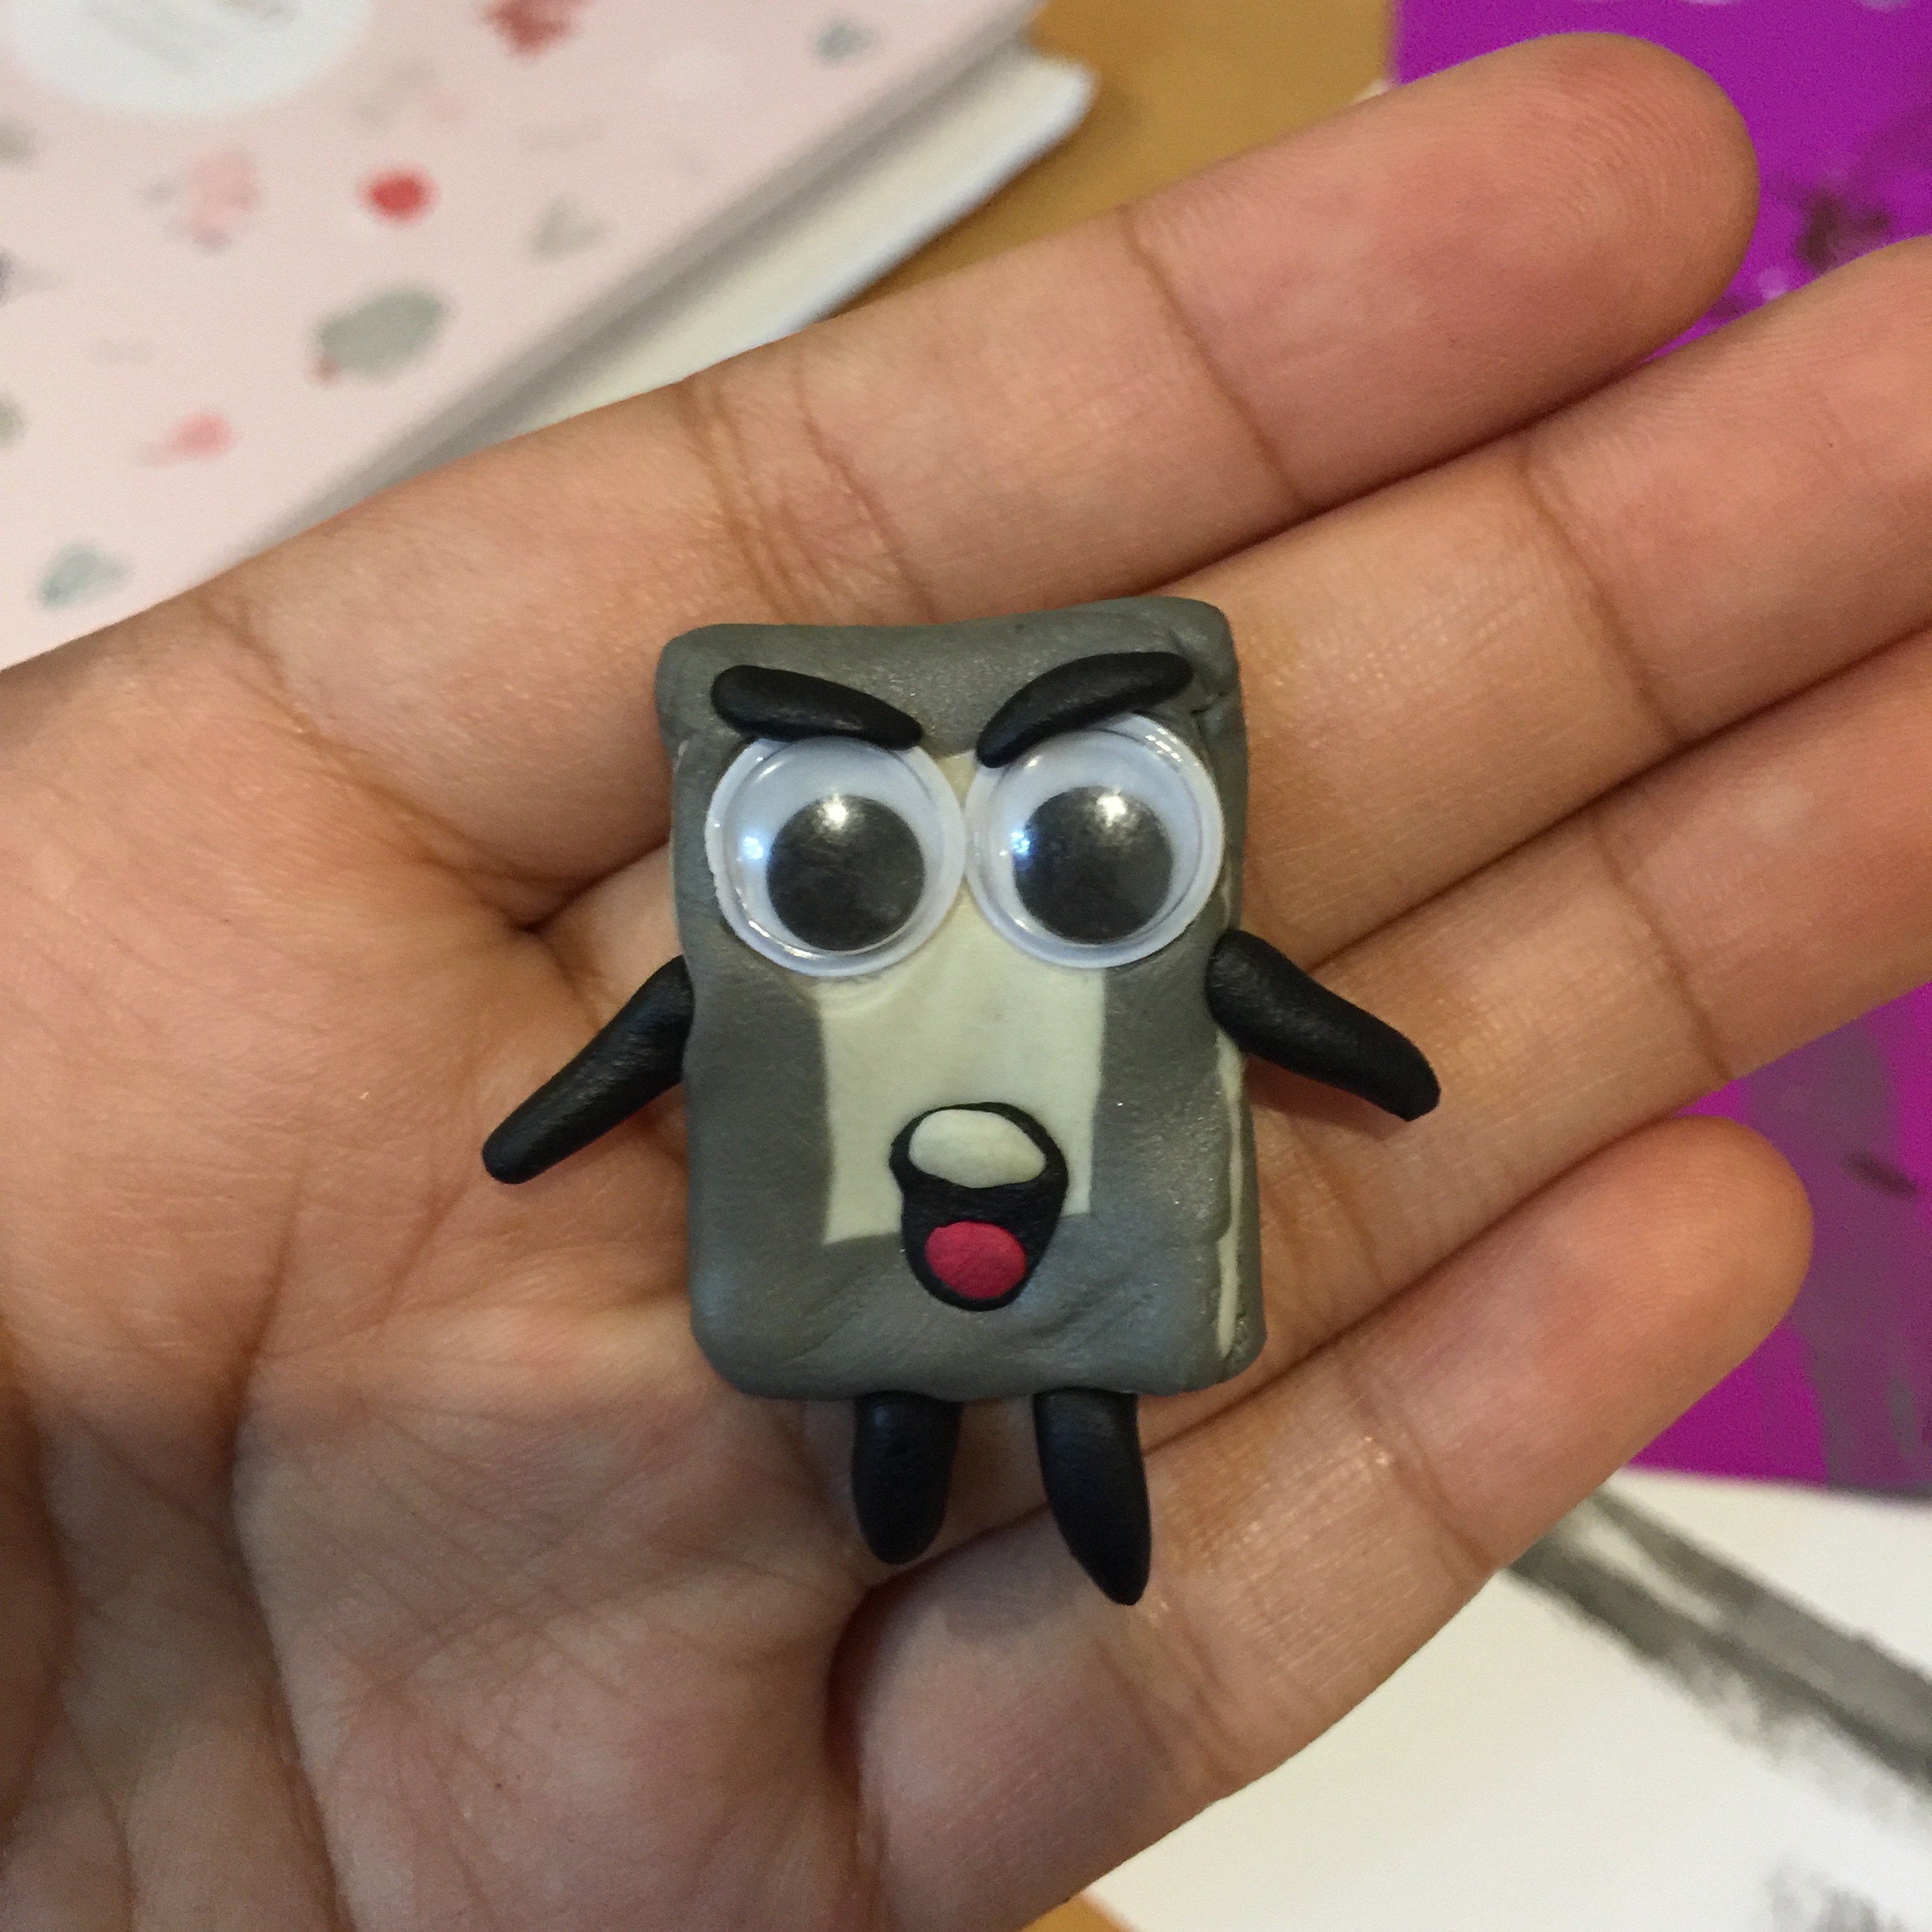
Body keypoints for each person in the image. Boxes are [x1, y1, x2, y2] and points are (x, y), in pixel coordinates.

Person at [0, 33, 1915, 1930]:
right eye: (840, 861)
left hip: (1096, 1250)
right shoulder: (757, 974)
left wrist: (1375, 1060)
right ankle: (926, 1449)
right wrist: (538, 1125)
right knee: (909, 1387)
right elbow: (646, 1042)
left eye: (1081, 843)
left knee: (1082, 1383)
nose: (958, 898)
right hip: (853, 1257)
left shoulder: (1154, 940)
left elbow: (1278, 1018)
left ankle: (1003, 1453)